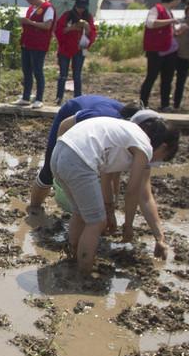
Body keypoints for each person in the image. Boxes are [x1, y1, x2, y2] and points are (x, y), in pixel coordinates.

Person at [51, 111, 180, 274]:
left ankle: (74, 257)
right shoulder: (144, 147)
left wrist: (110, 210)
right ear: (163, 147)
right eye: (163, 158)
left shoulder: (126, 133)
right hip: (79, 158)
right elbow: (132, 192)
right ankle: (83, 273)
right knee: (96, 222)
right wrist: (128, 226)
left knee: (81, 213)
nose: (155, 163)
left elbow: (108, 176)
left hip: (60, 151)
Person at [27, 94, 125, 212]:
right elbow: (64, 125)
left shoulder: (129, 135)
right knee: (49, 169)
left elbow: (115, 174)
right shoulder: (99, 116)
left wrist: (112, 206)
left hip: (97, 118)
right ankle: (34, 210)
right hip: (70, 114)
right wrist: (59, 153)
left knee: (100, 172)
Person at [139, 0, 182, 110]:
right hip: (156, 50)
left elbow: (168, 30)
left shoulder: (169, 12)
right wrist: (171, 21)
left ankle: (165, 104)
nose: (178, 3)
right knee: (151, 76)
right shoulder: (156, 9)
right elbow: (150, 23)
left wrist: (176, 31)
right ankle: (143, 102)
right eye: (177, 0)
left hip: (169, 50)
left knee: (167, 78)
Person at [14, 0, 55, 108]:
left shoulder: (48, 8)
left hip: (39, 44)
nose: (28, 1)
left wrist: (30, 22)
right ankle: (26, 97)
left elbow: (47, 25)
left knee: (38, 71)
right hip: (27, 43)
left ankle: (39, 98)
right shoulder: (32, 8)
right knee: (26, 71)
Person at [55, 0, 97, 104]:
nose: (81, 9)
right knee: (63, 74)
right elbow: (59, 31)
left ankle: (78, 97)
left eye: (83, 7)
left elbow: (92, 34)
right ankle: (59, 97)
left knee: (77, 74)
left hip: (79, 49)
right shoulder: (67, 15)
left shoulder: (89, 17)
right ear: (75, 4)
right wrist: (72, 28)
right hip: (65, 49)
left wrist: (87, 27)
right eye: (79, 6)